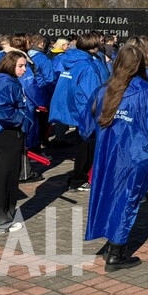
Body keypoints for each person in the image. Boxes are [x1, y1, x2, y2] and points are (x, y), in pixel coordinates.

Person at [83, 45, 148, 271]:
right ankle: (116, 252)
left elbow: (86, 125)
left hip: (107, 154)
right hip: (134, 156)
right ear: (140, 64)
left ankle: (112, 243)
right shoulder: (147, 94)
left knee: (111, 197)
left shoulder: (104, 90)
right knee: (127, 202)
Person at [0, 51, 34, 233]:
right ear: (10, 65)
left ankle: (0, 217)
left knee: (4, 175)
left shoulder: (5, 81)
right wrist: (21, 119)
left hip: (7, 131)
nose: (24, 69)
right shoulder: (5, 82)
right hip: (7, 132)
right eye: (20, 65)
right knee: (5, 176)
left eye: (25, 65)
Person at [49, 32, 110, 192]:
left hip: (72, 106)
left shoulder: (69, 59)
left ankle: (79, 176)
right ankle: (78, 179)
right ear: (94, 47)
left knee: (83, 143)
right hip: (85, 110)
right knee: (87, 144)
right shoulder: (88, 66)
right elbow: (93, 92)